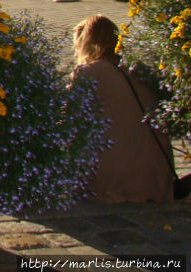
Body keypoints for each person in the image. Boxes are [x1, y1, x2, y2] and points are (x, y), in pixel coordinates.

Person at [72, 15, 175, 203]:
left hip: (115, 178)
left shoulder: (89, 72)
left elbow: (70, 117)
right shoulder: (137, 69)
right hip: (155, 178)